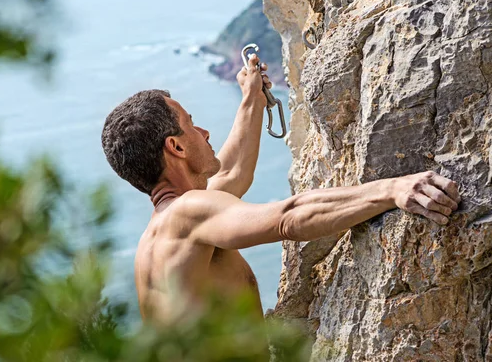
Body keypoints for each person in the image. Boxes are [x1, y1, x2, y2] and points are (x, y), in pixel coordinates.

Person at [101, 54, 461, 324]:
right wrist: (392, 189)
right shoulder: (188, 213)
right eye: (191, 125)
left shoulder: (166, 229)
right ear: (176, 148)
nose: (205, 133)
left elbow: (234, 173)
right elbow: (288, 219)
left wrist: (251, 98)